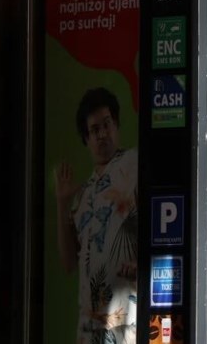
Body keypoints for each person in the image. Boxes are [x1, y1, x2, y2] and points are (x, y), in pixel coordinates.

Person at [56, 86, 140, 344]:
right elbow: (69, 263)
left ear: (116, 125)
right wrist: (62, 203)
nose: (103, 134)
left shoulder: (135, 164)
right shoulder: (82, 195)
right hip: (88, 328)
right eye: (94, 129)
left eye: (107, 124)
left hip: (127, 322)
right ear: (86, 138)